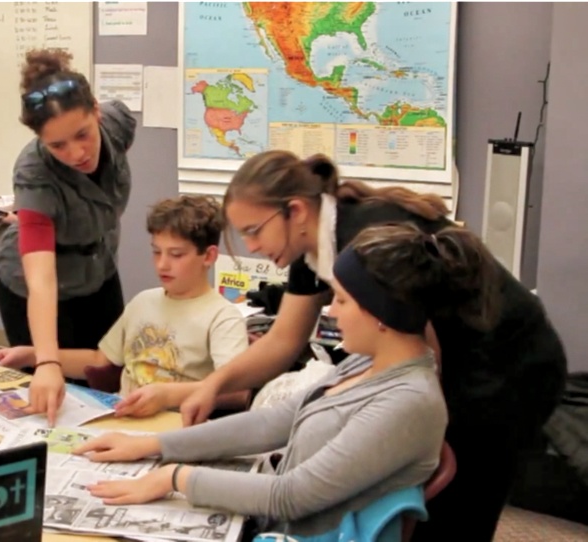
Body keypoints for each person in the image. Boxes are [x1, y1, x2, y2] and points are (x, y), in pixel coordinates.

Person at [179, 150, 568, 541]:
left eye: (253, 230)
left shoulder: (368, 245)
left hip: (509, 365)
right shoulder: (310, 246)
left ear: (294, 211)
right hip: (456, 359)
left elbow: (423, 358)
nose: (250, 246)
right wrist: (214, 385)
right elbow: (283, 340)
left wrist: (421, 431)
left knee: (457, 501)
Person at [72, 223, 456, 537]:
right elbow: (274, 421)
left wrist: (173, 477)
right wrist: (153, 445)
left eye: (341, 300)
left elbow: (291, 497)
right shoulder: (364, 363)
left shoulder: (409, 402)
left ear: (380, 313)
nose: (331, 311)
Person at [0, 196, 250, 418]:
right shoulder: (144, 302)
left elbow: (236, 392)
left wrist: (167, 395)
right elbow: (99, 360)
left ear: (209, 256)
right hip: (121, 414)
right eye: (156, 252)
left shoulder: (222, 317)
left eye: (176, 255)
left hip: (172, 426)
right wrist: (33, 355)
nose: (162, 265)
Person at [0, 48, 137, 425]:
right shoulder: (34, 173)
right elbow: (41, 280)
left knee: (109, 377)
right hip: (35, 282)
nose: (76, 153)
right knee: (50, 393)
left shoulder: (118, 122)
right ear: (41, 141)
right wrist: (48, 361)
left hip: (98, 268)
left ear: (96, 109)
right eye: (58, 146)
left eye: (83, 135)